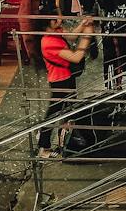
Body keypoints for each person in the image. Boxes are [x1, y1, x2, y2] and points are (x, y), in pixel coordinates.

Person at [39, 13, 96, 157]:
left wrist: (83, 25)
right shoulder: (48, 42)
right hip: (59, 81)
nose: (60, 20)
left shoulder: (56, 31)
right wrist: (87, 36)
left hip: (67, 77)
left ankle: (64, 140)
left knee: (68, 110)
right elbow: (76, 58)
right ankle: (43, 147)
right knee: (54, 113)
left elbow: (71, 36)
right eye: (56, 18)